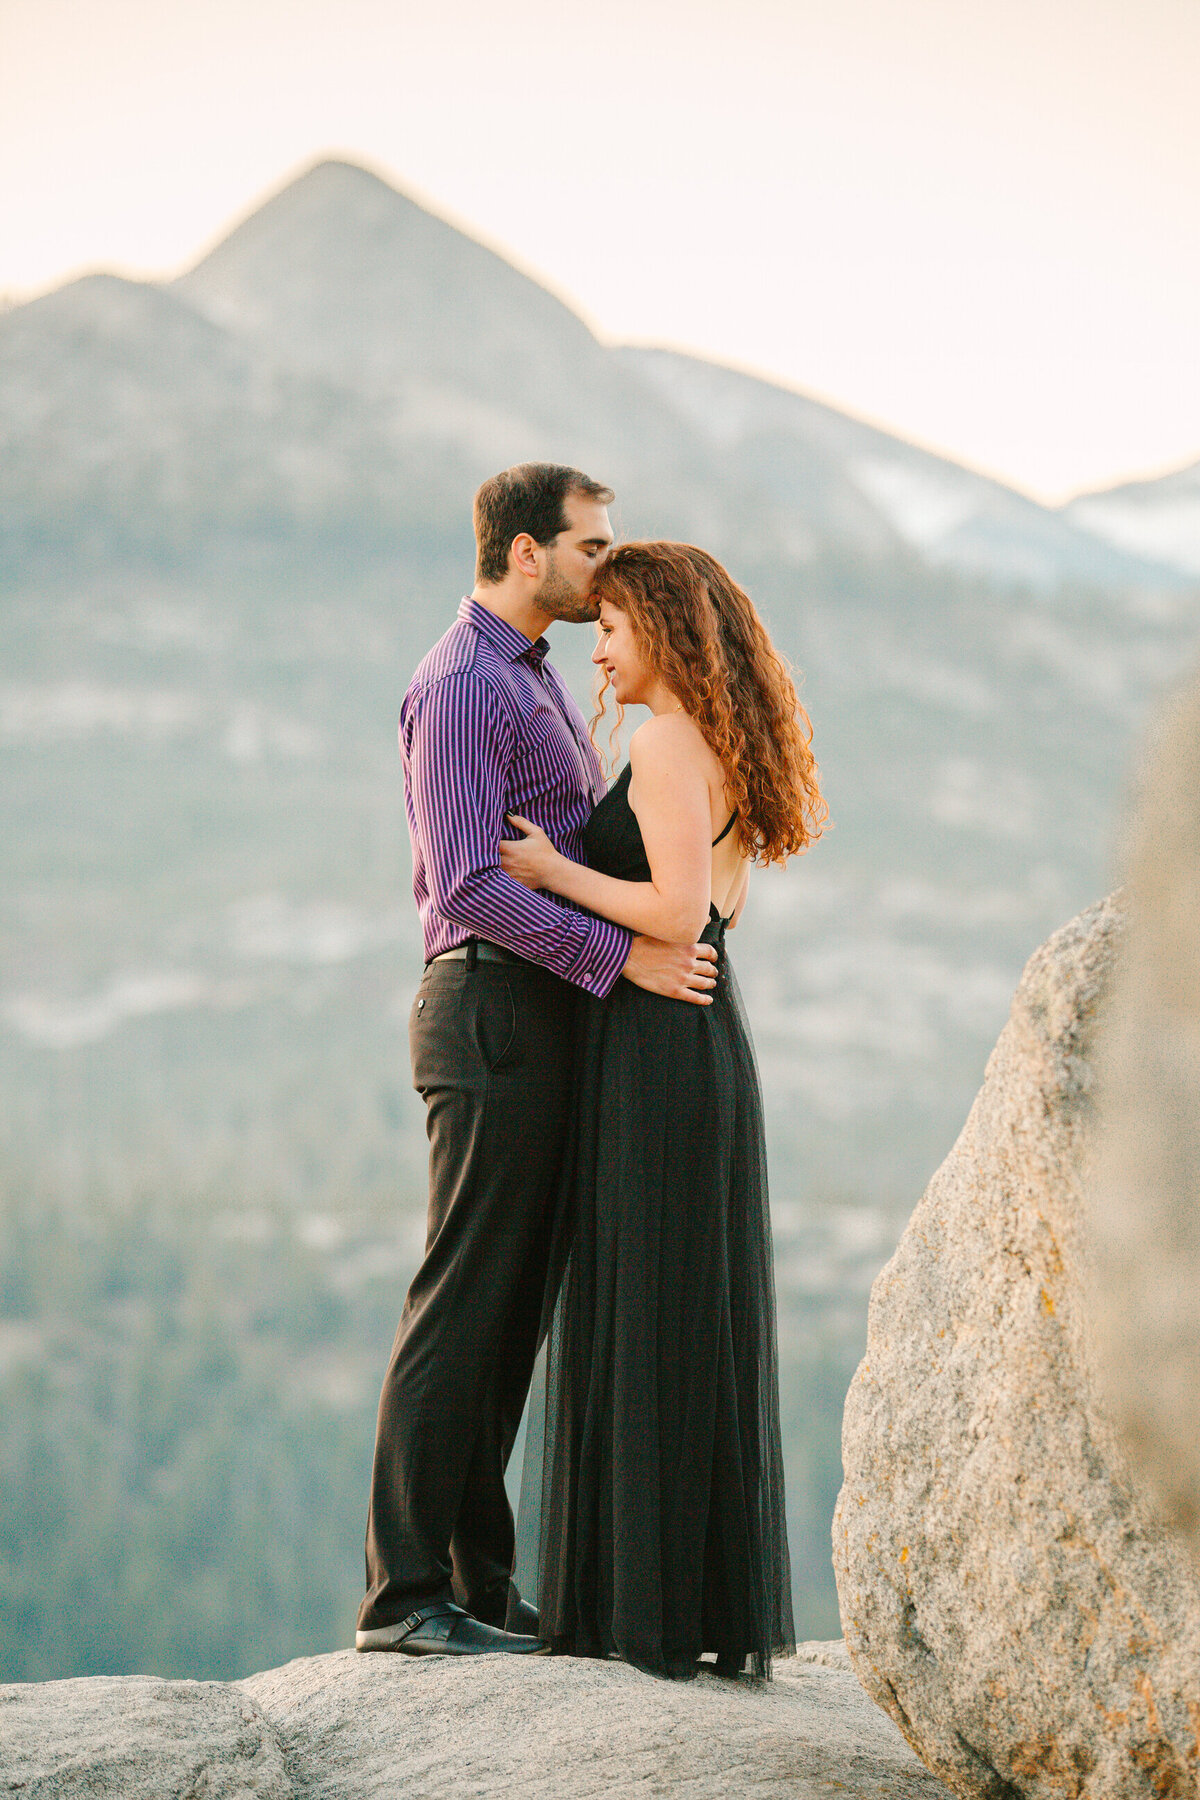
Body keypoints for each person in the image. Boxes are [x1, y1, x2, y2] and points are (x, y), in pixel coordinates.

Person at [355, 467, 719, 1659]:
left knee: (508, 1310)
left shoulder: (534, 678)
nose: (603, 568)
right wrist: (619, 961)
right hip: (492, 1012)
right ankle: (404, 1599)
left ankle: (475, 1584)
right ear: (524, 554)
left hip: (538, 1015)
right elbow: (465, 882)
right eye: (589, 547)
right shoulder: (464, 687)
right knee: (464, 1297)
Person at [499, 541, 826, 1678]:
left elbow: (677, 910)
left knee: (650, 1308)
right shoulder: (712, 739)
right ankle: (676, 1609)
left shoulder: (667, 739)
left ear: (669, 630)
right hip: (695, 1040)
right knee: (678, 1311)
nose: (605, 646)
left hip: (663, 1040)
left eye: (619, 625)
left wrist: (551, 874)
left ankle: (641, 1619)